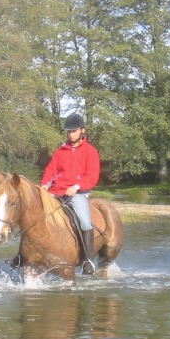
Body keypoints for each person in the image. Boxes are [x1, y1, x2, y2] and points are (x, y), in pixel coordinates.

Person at [41, 113, 101, 274]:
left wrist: (76, 186)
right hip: (56, 191)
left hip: (77, 193)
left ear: (82, 130)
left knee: (84, 220)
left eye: (73, 131)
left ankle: (88, 260)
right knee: (35, 213)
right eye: (68, 132)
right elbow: (51, 170)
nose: (70, 134)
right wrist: (45, 184)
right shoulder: (61, 151)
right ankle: (21, 256)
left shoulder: (90, 151)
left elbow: (92, 176)